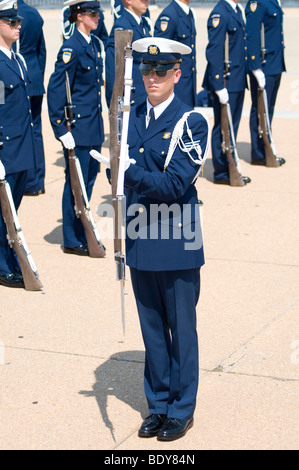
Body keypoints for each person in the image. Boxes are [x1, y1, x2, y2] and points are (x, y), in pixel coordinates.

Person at [101, 37, 210, 440]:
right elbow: (125, 179)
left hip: (176, 238)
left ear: (177, 75)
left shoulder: (191, 122)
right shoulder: (130, 118)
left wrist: (126, 170)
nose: (152, 78)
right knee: (151, 328)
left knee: (181, 328)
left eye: (161, 71)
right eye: (147, 71)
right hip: (140, 236)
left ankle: (182, 408)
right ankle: (158, 404)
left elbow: (175, 182)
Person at [47, 0, 105, 256]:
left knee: (89, 181)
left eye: (98, 13)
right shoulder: (71, 47)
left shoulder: (92, 43)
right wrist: (60, 129)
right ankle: (71, 238)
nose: (98, 18)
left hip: (93, 126)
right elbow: (56, 87)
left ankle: (81, 228)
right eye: (93, 14)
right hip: (79, 128)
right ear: (79, 16)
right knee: (75, 183)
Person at [0, 0, 37, 287]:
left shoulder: (19, 59)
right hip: (7, 149)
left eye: (18, 22)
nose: (18, 26)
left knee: (14, 210)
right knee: (3, 212)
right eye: (11, 22)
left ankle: (8, 256)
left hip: (23, 148)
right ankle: (2, 265)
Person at [202, 0, 251, 185]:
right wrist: (217, 84)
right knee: (222, 127)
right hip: (226, 80)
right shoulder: (220, 13)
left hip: (237, 79)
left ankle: (231, 165)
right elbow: (214, 50)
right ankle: (222, 172)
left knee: (232, 127)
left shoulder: (236, 10)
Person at [245, 0, 286, 166]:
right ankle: (258, 152)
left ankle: (267, 145)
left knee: (269, 109)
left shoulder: (274, 1)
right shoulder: (258, 3)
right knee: (260, 109)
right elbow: (252, 34)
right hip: (264, 66)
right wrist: (255, 67)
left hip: (275, 65)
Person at [13, 0, 46, 196]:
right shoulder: (34, 13)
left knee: (18, 131)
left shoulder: (10, 13)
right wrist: (37, 77)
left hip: (17, 79)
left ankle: (24, 181)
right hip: (34, 78)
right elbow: (41, 51)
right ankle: (37, 181)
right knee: (35, 131)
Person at [105, 0, 151, 109]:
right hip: (131, 102)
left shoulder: (143, 24)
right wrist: (116, 108)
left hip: (144, 97)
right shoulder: (123, 26)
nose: (147, 1)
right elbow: (114, 71)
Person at [154, 0, 197, 108]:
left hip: (188, 83)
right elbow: (160, 54)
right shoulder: (169, 14)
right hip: (176, 86)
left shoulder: (188, 13)